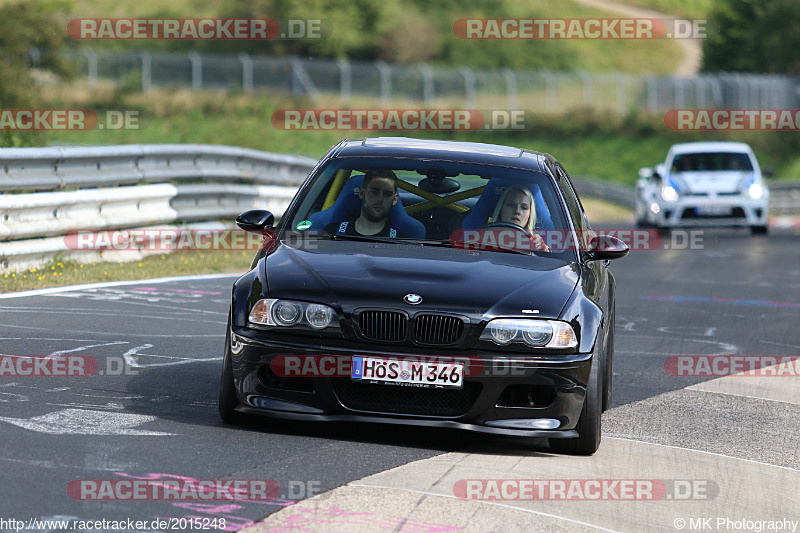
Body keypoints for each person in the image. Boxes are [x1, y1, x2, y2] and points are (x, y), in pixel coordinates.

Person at [325, 169, 408, 238]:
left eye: (387, 194)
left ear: (394, 199)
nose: (380, 199)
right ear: (361, 193)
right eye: (374, 192)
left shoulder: (403, 242)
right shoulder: (330, 233)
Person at [489, 185, 550, 252]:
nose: (517, 211)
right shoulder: (483, 238)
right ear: (501, 209)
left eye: (524, 208)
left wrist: (543, 251)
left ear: (530, 215)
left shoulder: (535, 244)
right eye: (511, 205)